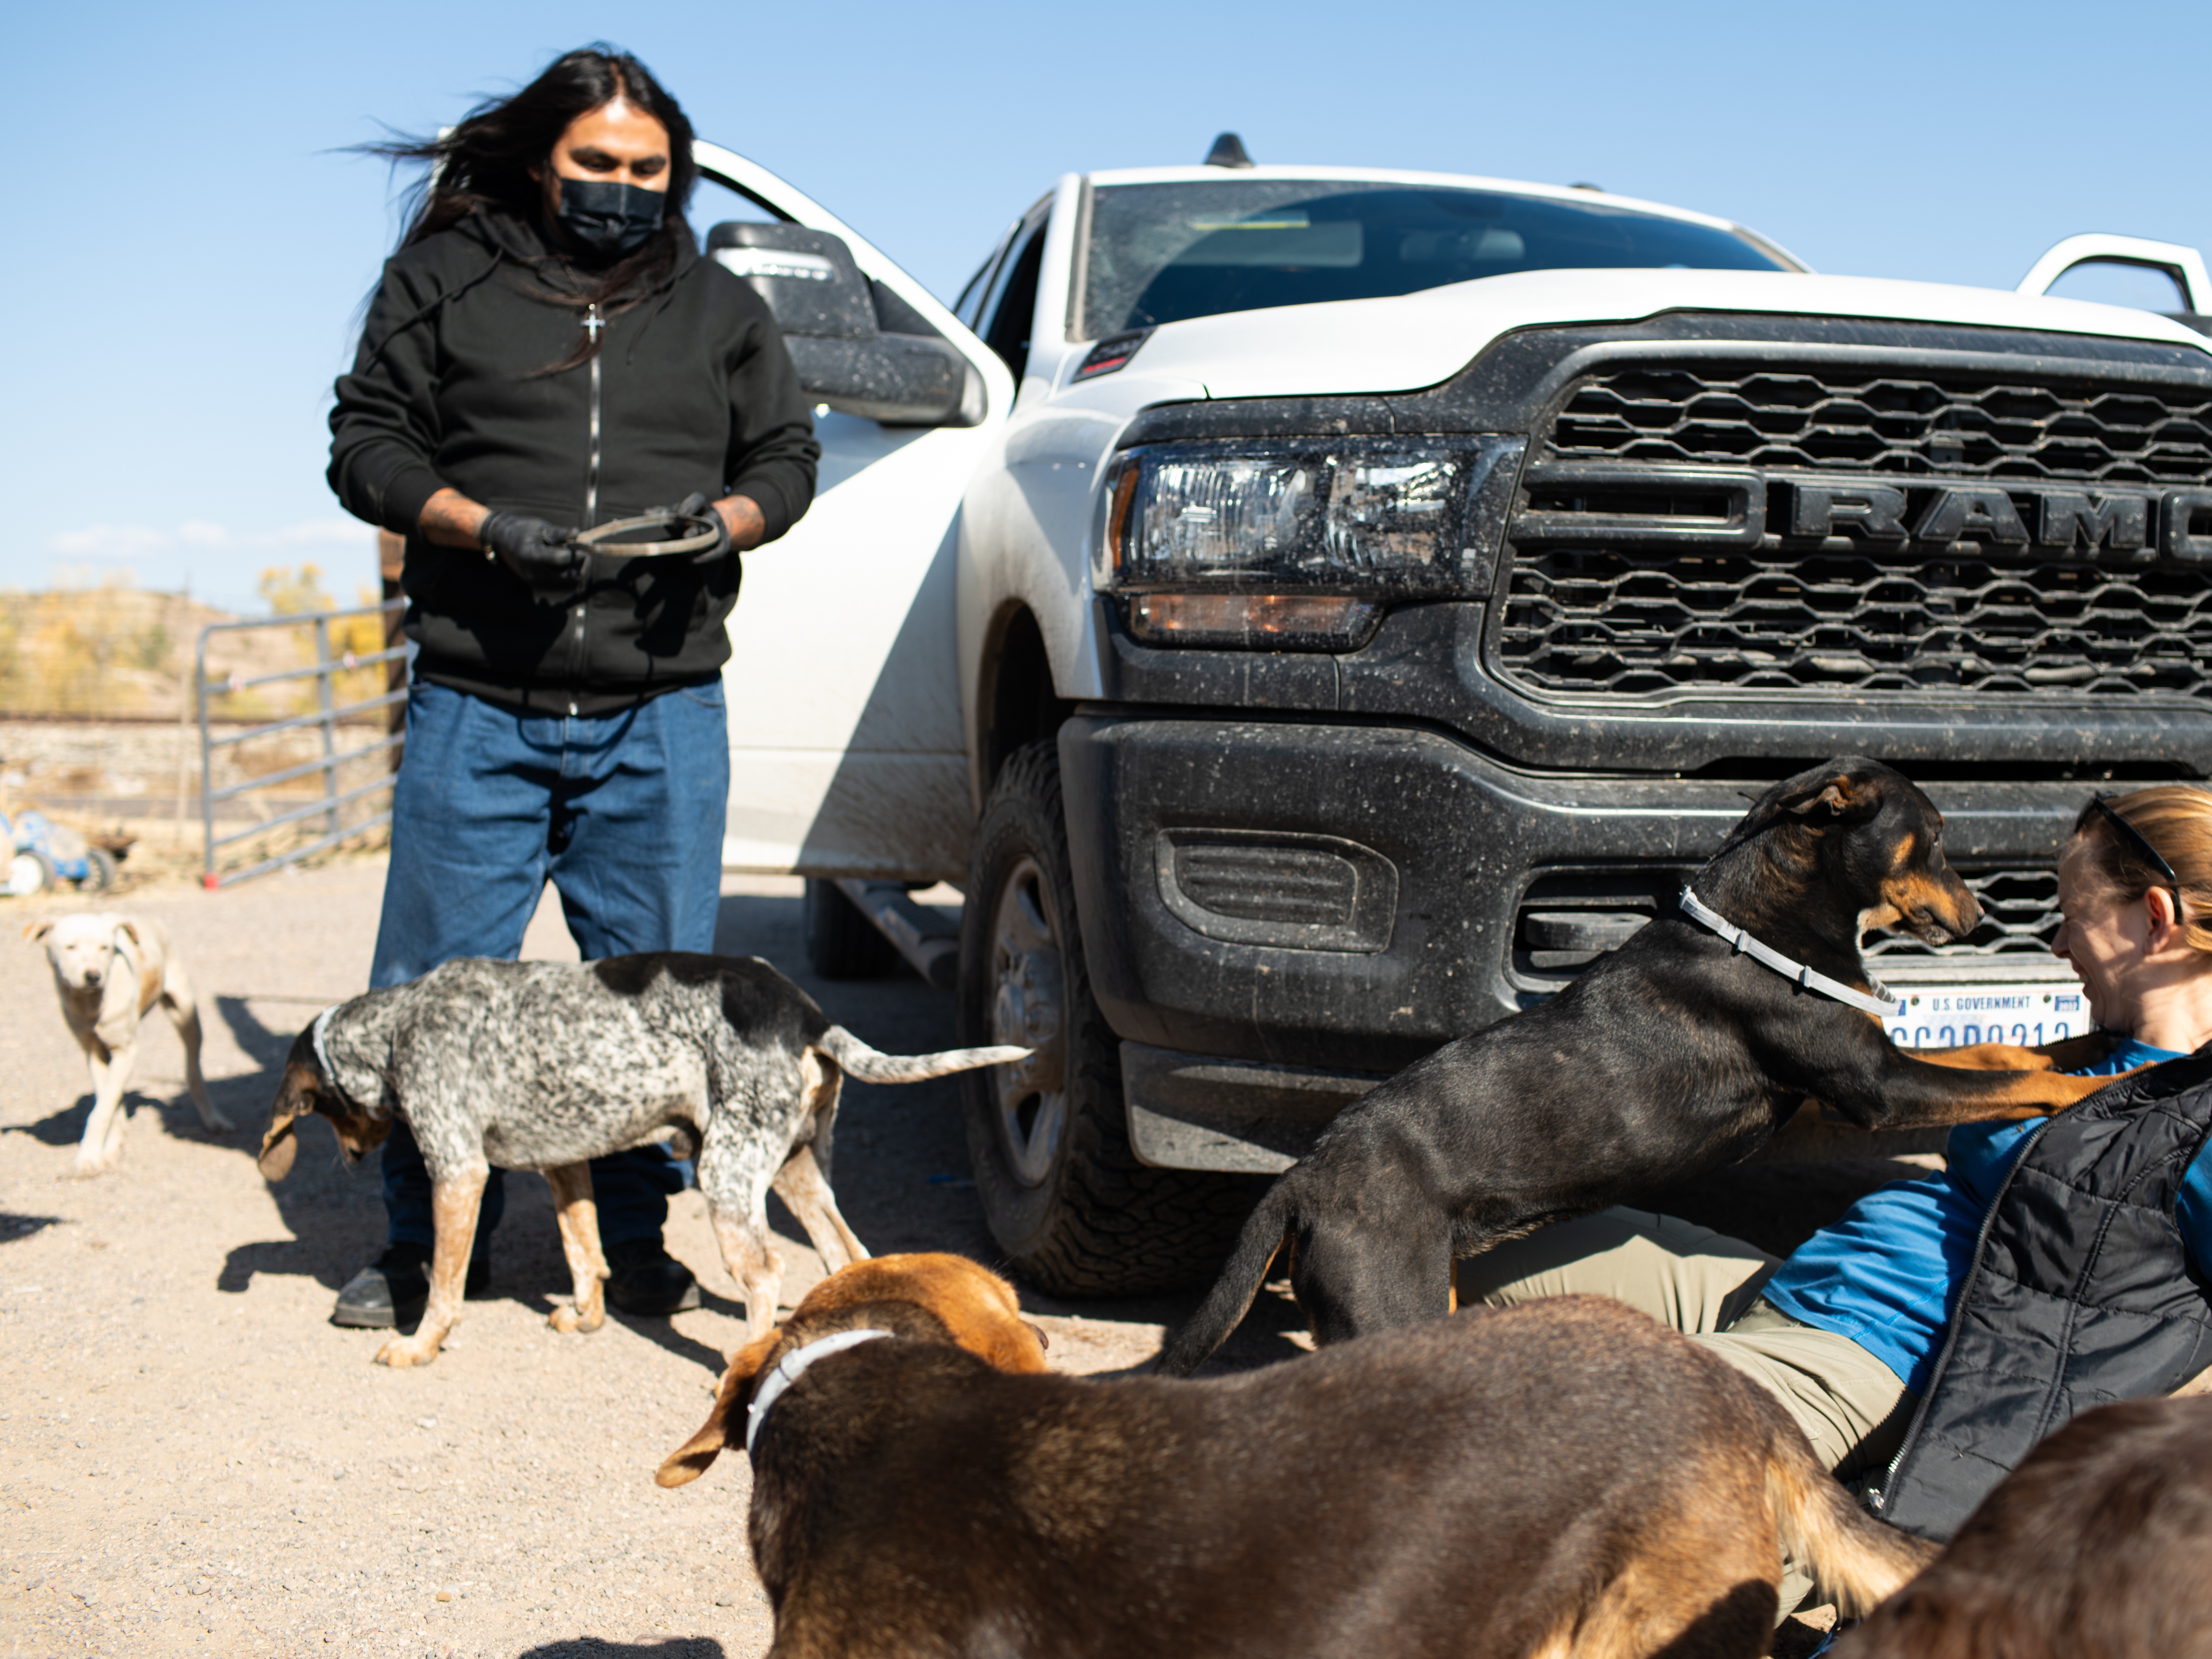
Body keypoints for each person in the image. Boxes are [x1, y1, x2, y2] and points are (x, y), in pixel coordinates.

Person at [324, 46, 818, 1328]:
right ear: (544, 160)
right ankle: (418, 1250)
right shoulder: (442, 281)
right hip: (475, 709)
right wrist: (479, 528)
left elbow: (788, 454)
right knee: (435, 997)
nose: (621, 186)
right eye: (596, 164)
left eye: (646, 169)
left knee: (656, 1010)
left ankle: (642, 1246)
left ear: (676, 174)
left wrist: (730, 522)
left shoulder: (718, 308)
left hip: (660, 716)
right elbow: (364, 445)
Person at [1460, 786, 2212, 1597]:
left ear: (2157, 918)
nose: (2060, 941)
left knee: (1595, 1493)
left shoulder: (2199, 1123)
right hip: (1804, 1283)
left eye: (2074, 914)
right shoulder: (2092, 1051)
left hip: (1873, 1349)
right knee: (1454, 1249)